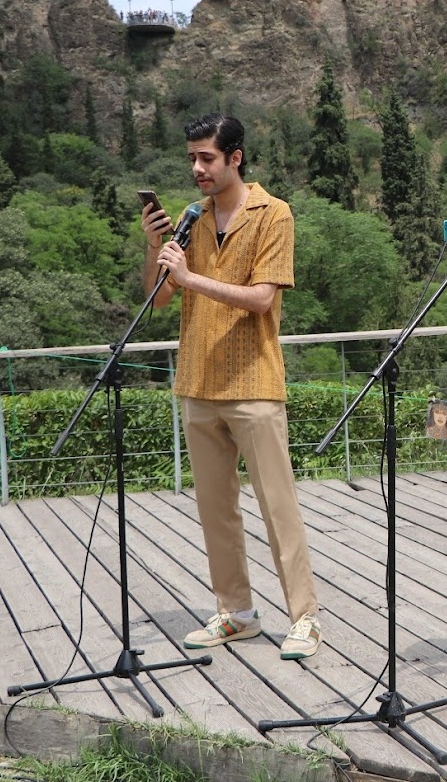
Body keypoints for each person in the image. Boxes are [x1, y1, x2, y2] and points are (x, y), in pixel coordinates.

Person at [141, 112, 322, 661]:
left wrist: (192, 277)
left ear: (235, 158)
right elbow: (160, 299)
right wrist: (156, 249)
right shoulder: (190, 219)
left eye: (207, 158)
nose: (197, 168)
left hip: (254, 382)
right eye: (192, 158)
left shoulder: (275, 214)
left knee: (277, 505)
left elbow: (263, 298)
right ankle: (236, 613)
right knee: (214, 507)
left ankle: (305, 618)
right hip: (196, 379)